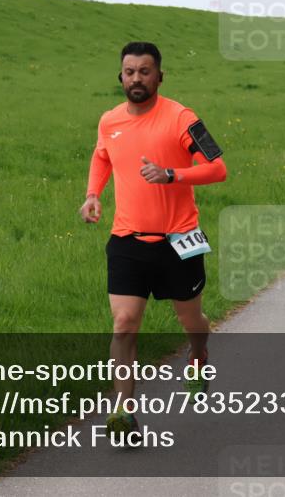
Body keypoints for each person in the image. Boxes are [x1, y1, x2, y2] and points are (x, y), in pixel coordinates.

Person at [81, 41, 227, 439]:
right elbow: (102, 156)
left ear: (159, 76)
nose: (137, 79)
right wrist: (94, 194)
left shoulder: (181, 118)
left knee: (191, 321)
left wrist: (172, 174)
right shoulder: (109, 119)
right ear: (120, 77)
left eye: (145, 71)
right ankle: (124, 412)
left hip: (180, 239)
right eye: (130, 72)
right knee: (124, 323)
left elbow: (217, 169)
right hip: (127, 239)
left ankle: (199, 356)